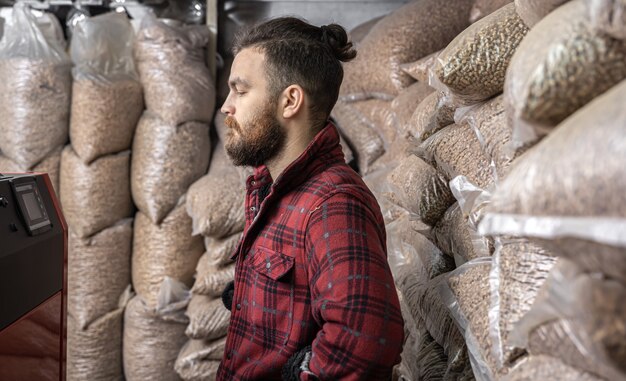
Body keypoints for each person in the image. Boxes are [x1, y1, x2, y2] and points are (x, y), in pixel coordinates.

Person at [216, 16, 404, 381]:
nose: (226, 106)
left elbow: (366, 341)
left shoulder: (332, 203)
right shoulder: (273, 189)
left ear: (290, 101)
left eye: (240, 90)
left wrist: (301, 373)